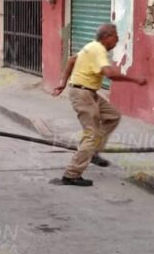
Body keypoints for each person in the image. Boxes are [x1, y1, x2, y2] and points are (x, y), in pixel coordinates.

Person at [52, 23, 148, 187]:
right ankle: (71, 174)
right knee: (91, 134)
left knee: (113, 116)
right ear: (107, 37)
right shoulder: (99, 49)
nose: (116, 42)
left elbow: (71, 60)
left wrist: (63, 83)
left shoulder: (91, 47)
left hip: (89, 93)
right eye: (116, 38)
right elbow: (110, 74)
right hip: (83, 94)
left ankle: (94, 152)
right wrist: (134, 79)